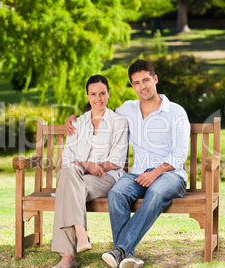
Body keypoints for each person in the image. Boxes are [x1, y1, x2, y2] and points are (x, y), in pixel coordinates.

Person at [65, 60, 190, 268]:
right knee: (116, 193)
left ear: (155, 79)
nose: (143, 86)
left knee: (156, 191)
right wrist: (76, 118)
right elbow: (100, 111)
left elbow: (179, 155)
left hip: (171, 176)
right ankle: (126, 256)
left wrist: (157, 171)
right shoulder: (126, 110)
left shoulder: (176, 112)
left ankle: (120, 249)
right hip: (138, 175)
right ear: (132, 86)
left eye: (146, 80)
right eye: (136, 82)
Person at [52, 75, 128, 268]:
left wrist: (98, 167)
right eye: (93, 94)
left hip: (106, 178)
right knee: (69, 175)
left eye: (102, 93)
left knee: (66, 189)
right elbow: (68, 160)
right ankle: (81, 233)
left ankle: (68, 257)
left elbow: (118, 160)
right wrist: (86, 164)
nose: (98, 98)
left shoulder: (119, 121)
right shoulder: (77, 124)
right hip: (77, 176)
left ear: (109, 94)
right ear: (87, 96)